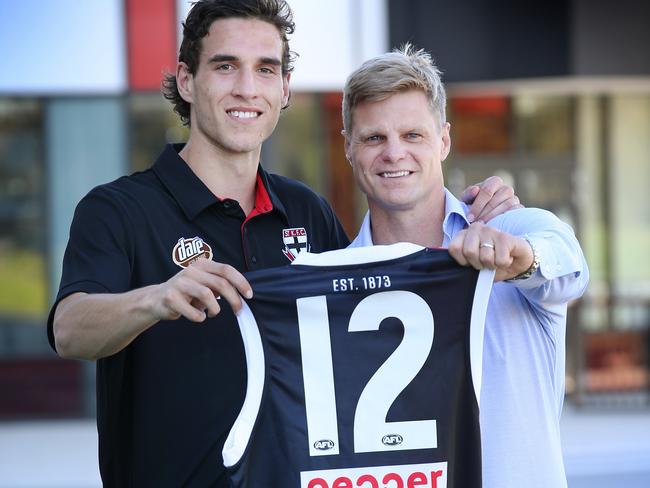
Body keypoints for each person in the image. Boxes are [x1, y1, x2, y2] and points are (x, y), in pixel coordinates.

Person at [48, 1, 520, 486]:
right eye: (225, 65)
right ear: (187, 81)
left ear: (285, 88)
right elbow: (70, 329)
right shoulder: (119, 210)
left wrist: (472, 219)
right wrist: (154, 298)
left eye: (266, 69)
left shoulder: (307, 211)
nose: (247, 88)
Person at [340, 45, 589, 487]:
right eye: (374, 138)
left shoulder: (513, 225)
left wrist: (516, 259)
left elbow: (568, 267)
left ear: (444, 140)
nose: (394, 153)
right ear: (348, 148)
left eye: (413, 135)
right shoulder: (336, 281)